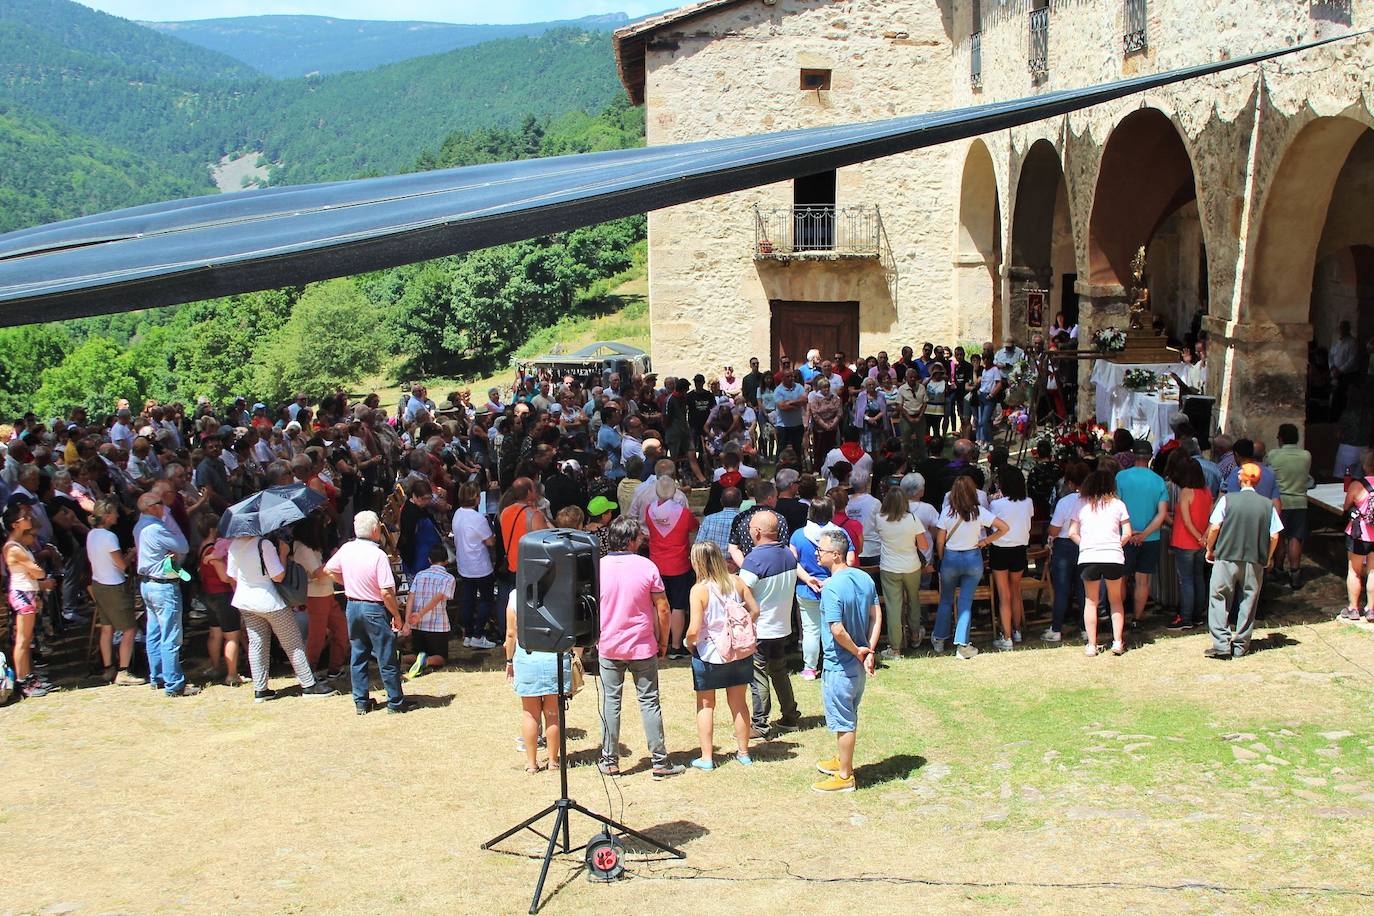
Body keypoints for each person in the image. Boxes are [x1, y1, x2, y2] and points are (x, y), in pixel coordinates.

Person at [596, 516, 685, 780]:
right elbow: (663, 607)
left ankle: (609, 760)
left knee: (611, 701)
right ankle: (659, 760)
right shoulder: (647, 567)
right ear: (632, 541)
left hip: (609, 644)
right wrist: (664, 640)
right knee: (649, 701)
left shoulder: (599, 566)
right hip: (642, 645)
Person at [227, 532, 336, 703]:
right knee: (292, 642)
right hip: (269, 601)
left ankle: (260, 689)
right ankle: (308, 684)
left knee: (257, 643)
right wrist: (283, 554)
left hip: (245, 601)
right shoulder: (263, 545)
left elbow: (232, 575)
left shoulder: (234, 545)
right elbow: (278, 576)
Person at [325, 511, 416, 714]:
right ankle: (395, 700)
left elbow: (329, 570)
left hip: (353, 605)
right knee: (386, 654)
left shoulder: (347, 549)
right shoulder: (378, 555)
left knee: (358, 654)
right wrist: (397, 615)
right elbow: (386, 592)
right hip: (373, 607)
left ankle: (361, 701)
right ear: (376, 530)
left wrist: (347, 582)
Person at [812, 530, 881, 794]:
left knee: (844, 721)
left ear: (836, 554)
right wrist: (869, 650)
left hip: (840, 665)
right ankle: (843, 759)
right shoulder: (864, 578)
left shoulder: (831, 588)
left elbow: (837, 630)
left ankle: (845, 776)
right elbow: (876, 615)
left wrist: (857, 651)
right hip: (857, 665)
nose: (818, 553)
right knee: (848, 713)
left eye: (821, 549)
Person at [685, 541, 761, 770]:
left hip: (710, 653)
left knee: (706, 704)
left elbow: (694, 628)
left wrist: (688, 643)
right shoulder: (737, 581)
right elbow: (755, 610)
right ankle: (744, 752)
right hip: (739, 651)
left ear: (697, 562)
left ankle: (707, 757)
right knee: (739, 702)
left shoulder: (699, 590)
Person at [1204, 463, 1284, 658]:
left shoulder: (1227, 500)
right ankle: (1241, 645)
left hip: (1227, 556)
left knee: (1219, 598)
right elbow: (1274, 536)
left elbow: (1215, 527)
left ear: (1241, 478)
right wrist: (1268, 556)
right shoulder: (1267, 504)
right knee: (1249, 601)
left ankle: (1221, 644)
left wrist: (1210, 548)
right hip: (1254, 558)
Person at [738, 509, 800, 739]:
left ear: (757, 532)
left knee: (759, 675)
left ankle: (760, 724)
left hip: (760, 627)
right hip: (781, 625)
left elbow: (741, 593)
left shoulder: (754, 559)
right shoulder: (788, 554)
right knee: (779, 671)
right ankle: (790, 715)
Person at [134, 492, 201, 697]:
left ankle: (158, 677)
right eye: (161, 504)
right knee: (171, 636)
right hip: (163, 586)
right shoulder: (156, 528)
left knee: (154, 633)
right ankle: (174, 683)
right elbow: (183, 545)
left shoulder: (140, 526)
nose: (165, 507)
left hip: (148, 584)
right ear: (152, 507)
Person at [932, 476, 1006, 659]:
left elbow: (940, 540)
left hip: (951, 557)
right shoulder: (978, 512)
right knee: (965, 602)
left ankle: (939, 639)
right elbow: (1004, 527)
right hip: (973, 557)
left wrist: (942, 559)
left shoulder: (947, 512)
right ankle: (962, 645)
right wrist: (986, 541)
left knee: (946, 600)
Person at [1068, 470, 1133, 657]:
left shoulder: (1081, 505)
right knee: (1115, 600)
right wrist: (1115, 544)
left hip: (1089, 556)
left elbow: (1072, 532)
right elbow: (1127, 532)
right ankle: (1118, 641)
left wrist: (1086, 545)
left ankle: (1091, 644)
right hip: (1113, 556)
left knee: (1091, 601)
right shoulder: (1118, 504)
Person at [502, 589, 566, 774]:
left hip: (527, 655)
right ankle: (553, 761)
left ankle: (531, 763)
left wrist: (509, 661)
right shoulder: (557, 590)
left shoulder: (516, 594)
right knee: (553, 713)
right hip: (552, 654)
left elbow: (511, 633)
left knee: (530, 714)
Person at [790, 497, 855, 679]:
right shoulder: (840, 533)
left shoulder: (798, 535)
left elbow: (792, 561)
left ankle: (810, 668)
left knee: (810, 630)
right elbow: (849, 561)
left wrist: (808, 579)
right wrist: (831, 579)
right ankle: (833, 663)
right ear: (831, 512)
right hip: (836, 587)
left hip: (807, 588)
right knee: (835, 626)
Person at [86, 498, 143, 686]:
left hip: (98, 584)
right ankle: (123, 671)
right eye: (115, 512)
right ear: (108, 514)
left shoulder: (91, 534)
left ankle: (108, 667)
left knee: (107, 628)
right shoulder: (109, 537)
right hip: (113, 586)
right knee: (129, 628)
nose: (118, 515)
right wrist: (132, 554)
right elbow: (121, 565)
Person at [873, 484, 931, 658]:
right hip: (911, 566)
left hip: (889, 567)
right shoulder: (912, 519)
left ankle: (895, 648)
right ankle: (915, 635)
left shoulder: (879, 518)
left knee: (893, 607)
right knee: (913, 600)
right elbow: (924, 545)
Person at [643, 475, 698, 658]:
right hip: (679, 563)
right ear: (675, 491)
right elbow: (694, 526)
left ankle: (659, 643)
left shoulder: (649, 510)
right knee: (678, 606)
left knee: (658, 604)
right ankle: (675, 645)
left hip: (656, 563)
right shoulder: (683, 512)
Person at [1115, 440, 1169, 628]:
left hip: (1125, 535)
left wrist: (1131, 531)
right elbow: (1162, 513)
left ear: (1133, 455)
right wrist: (1145, 534)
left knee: (1121, 578)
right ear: (1150, 457)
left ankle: (1118, 616)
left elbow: (1116, 507)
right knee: (1142, 580)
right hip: (1151, 537)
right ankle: (1137, 619)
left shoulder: (1121, 478)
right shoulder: (1158, 480)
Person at [5, 504, 55, 698]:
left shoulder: (19, 546)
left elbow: (35, 572)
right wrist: (37, 573)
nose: (28, 518)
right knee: (23, 641)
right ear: (15, 524)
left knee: (27, 641)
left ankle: (29, 677)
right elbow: (37, 571)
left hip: (28, 592)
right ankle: (23, 681)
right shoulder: (13, 548)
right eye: (25, 516)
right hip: (22, 594)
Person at [294, 515, 348, 679]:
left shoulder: (311, 547)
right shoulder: (302, 548)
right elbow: (318, 573)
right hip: (315, 597)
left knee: (342, 630)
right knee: (316, 637)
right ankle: (308, 673)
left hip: (326, 594)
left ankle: (334, 668)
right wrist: (336, 559)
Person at [1042, 461, 1088, 643]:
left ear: (1070, 483)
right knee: (1084, 589)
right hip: (1085, 545)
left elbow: (1054, 530)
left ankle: (1056, 628)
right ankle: (1086, 627)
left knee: (1062, 589)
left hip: (1064, 545)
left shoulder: (1065, 502)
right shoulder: (1094, 501)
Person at [989, 466, 1034, 651]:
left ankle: (1006, 637)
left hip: (1000, 549)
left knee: (1004, 594)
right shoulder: (1028, 502)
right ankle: (1017, 630)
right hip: (1020, 549)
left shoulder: (996, 504)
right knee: (1015, 590)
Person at [195, 516, 242, 687]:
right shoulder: (213, 551)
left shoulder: (202, 548)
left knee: (215, 633)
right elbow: (224, 577)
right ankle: (231, 674)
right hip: (222, 595)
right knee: (232, 637)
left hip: (209, 594)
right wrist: (235, 576)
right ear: (212, 530)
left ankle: (216, 667)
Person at [1167, 460, 1213, 631]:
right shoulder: (1206, 492)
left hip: (1185, 541)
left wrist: (1197, 537)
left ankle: (1186, 618)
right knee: (1198, 578)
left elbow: (1186, 520)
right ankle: (1197, 616)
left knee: (1186, 580)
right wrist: (1204, 537)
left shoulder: (1186, 492)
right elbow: (1211, 518)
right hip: (1200, 543)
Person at [1267, 423, 1312, 591]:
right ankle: (1295, 573)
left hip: (1280, 501)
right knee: (1295, 538)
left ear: (1281, 438)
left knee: (1279, 537)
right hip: (1300, 502)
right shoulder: (1306, 455)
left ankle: (1278, 569)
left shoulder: (1274, 455)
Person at [402, 543, 456, 677]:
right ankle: (426, 661)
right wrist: (421, 614)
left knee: (417, 652)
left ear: (429, 560)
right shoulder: (448, 578)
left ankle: (400, 658)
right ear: (446, 560)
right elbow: (438, 598)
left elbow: (410, 597)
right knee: (441, 657)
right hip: (437, 625)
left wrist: (408, 621)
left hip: (418, 625)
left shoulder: (419, 575)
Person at [1340, 448, 1374, 622]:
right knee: (1373, 571)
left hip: (1359, 533)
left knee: (1354, 571)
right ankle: (1371, 609)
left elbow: (1346, 507)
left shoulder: (1357, 485)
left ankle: (1353, 608)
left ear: (1365, 466)